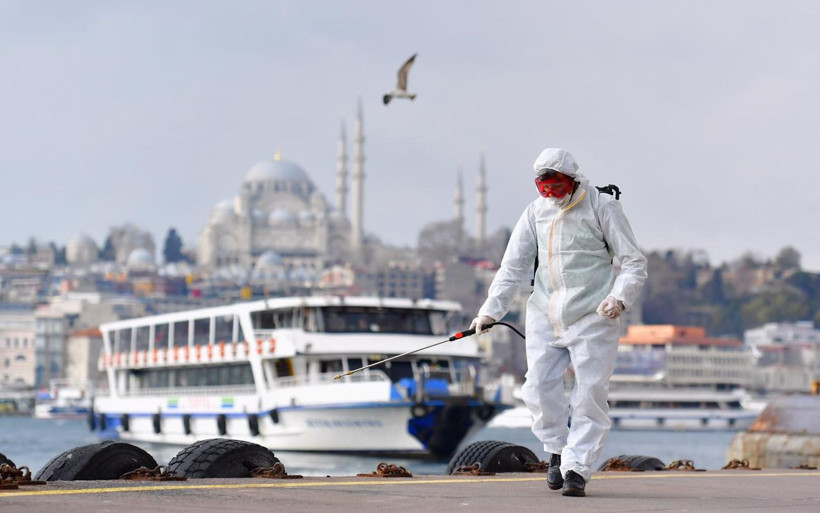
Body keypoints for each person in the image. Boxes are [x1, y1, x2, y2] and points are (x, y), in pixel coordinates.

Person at [470, 148, 647, 497]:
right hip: (544, 315)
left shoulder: (602, 207)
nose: (550, 195)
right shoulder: (535, 213)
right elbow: (513, 267)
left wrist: (620, 298)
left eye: (556, 187)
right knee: (536, 386)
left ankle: (577, 469)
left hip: (594, 315)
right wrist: (491, 311)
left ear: (572, 180)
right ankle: (556, 449)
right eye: (543, 188)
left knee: (590, 394)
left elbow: (634, 262)